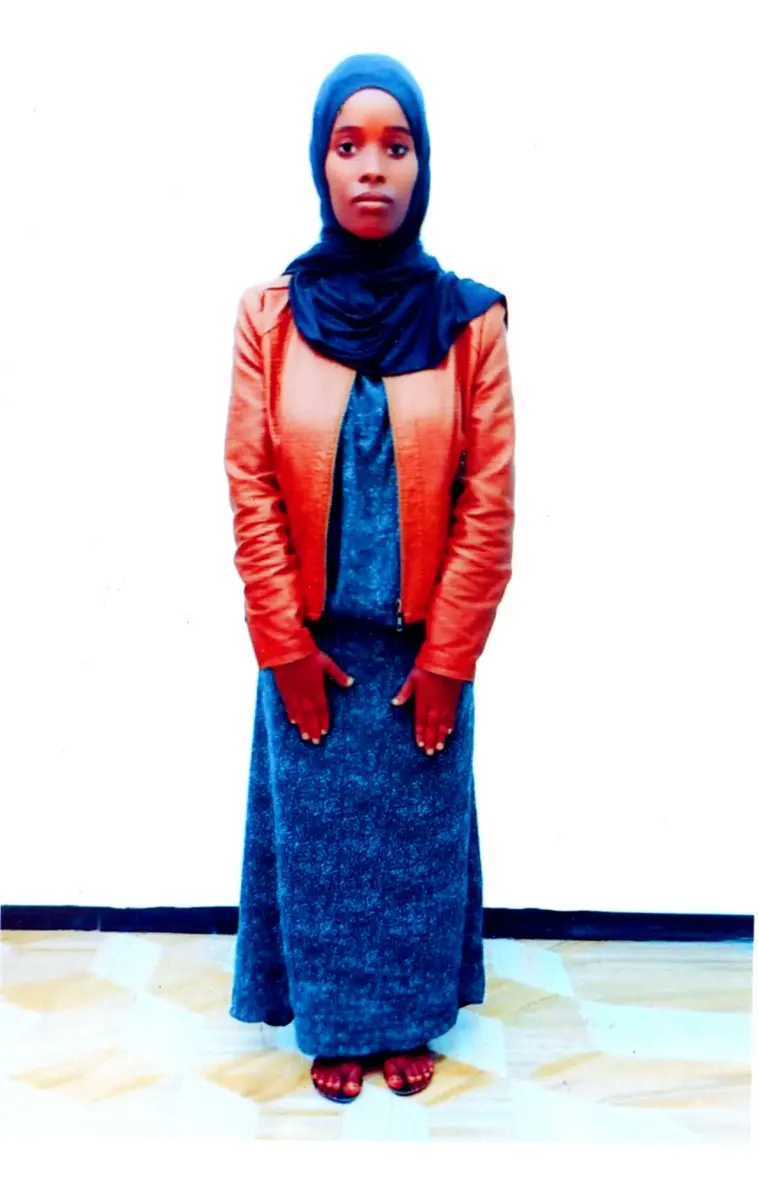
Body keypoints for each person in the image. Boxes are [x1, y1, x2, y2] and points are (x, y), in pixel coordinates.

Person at [223, 53, 515, 1104]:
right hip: (314, 649)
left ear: (423, 165)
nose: (373, 168)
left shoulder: (469, 320)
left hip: (420, 651)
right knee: (321, 849)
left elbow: (489, 499)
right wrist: (283, 647)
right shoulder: (270, 316)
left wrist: (449, 660)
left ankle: (407, 1019)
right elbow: (251, 482)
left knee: (414, 850)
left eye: (397, 146)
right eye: (349, 146)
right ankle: (336, 1024)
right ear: (321, 162)